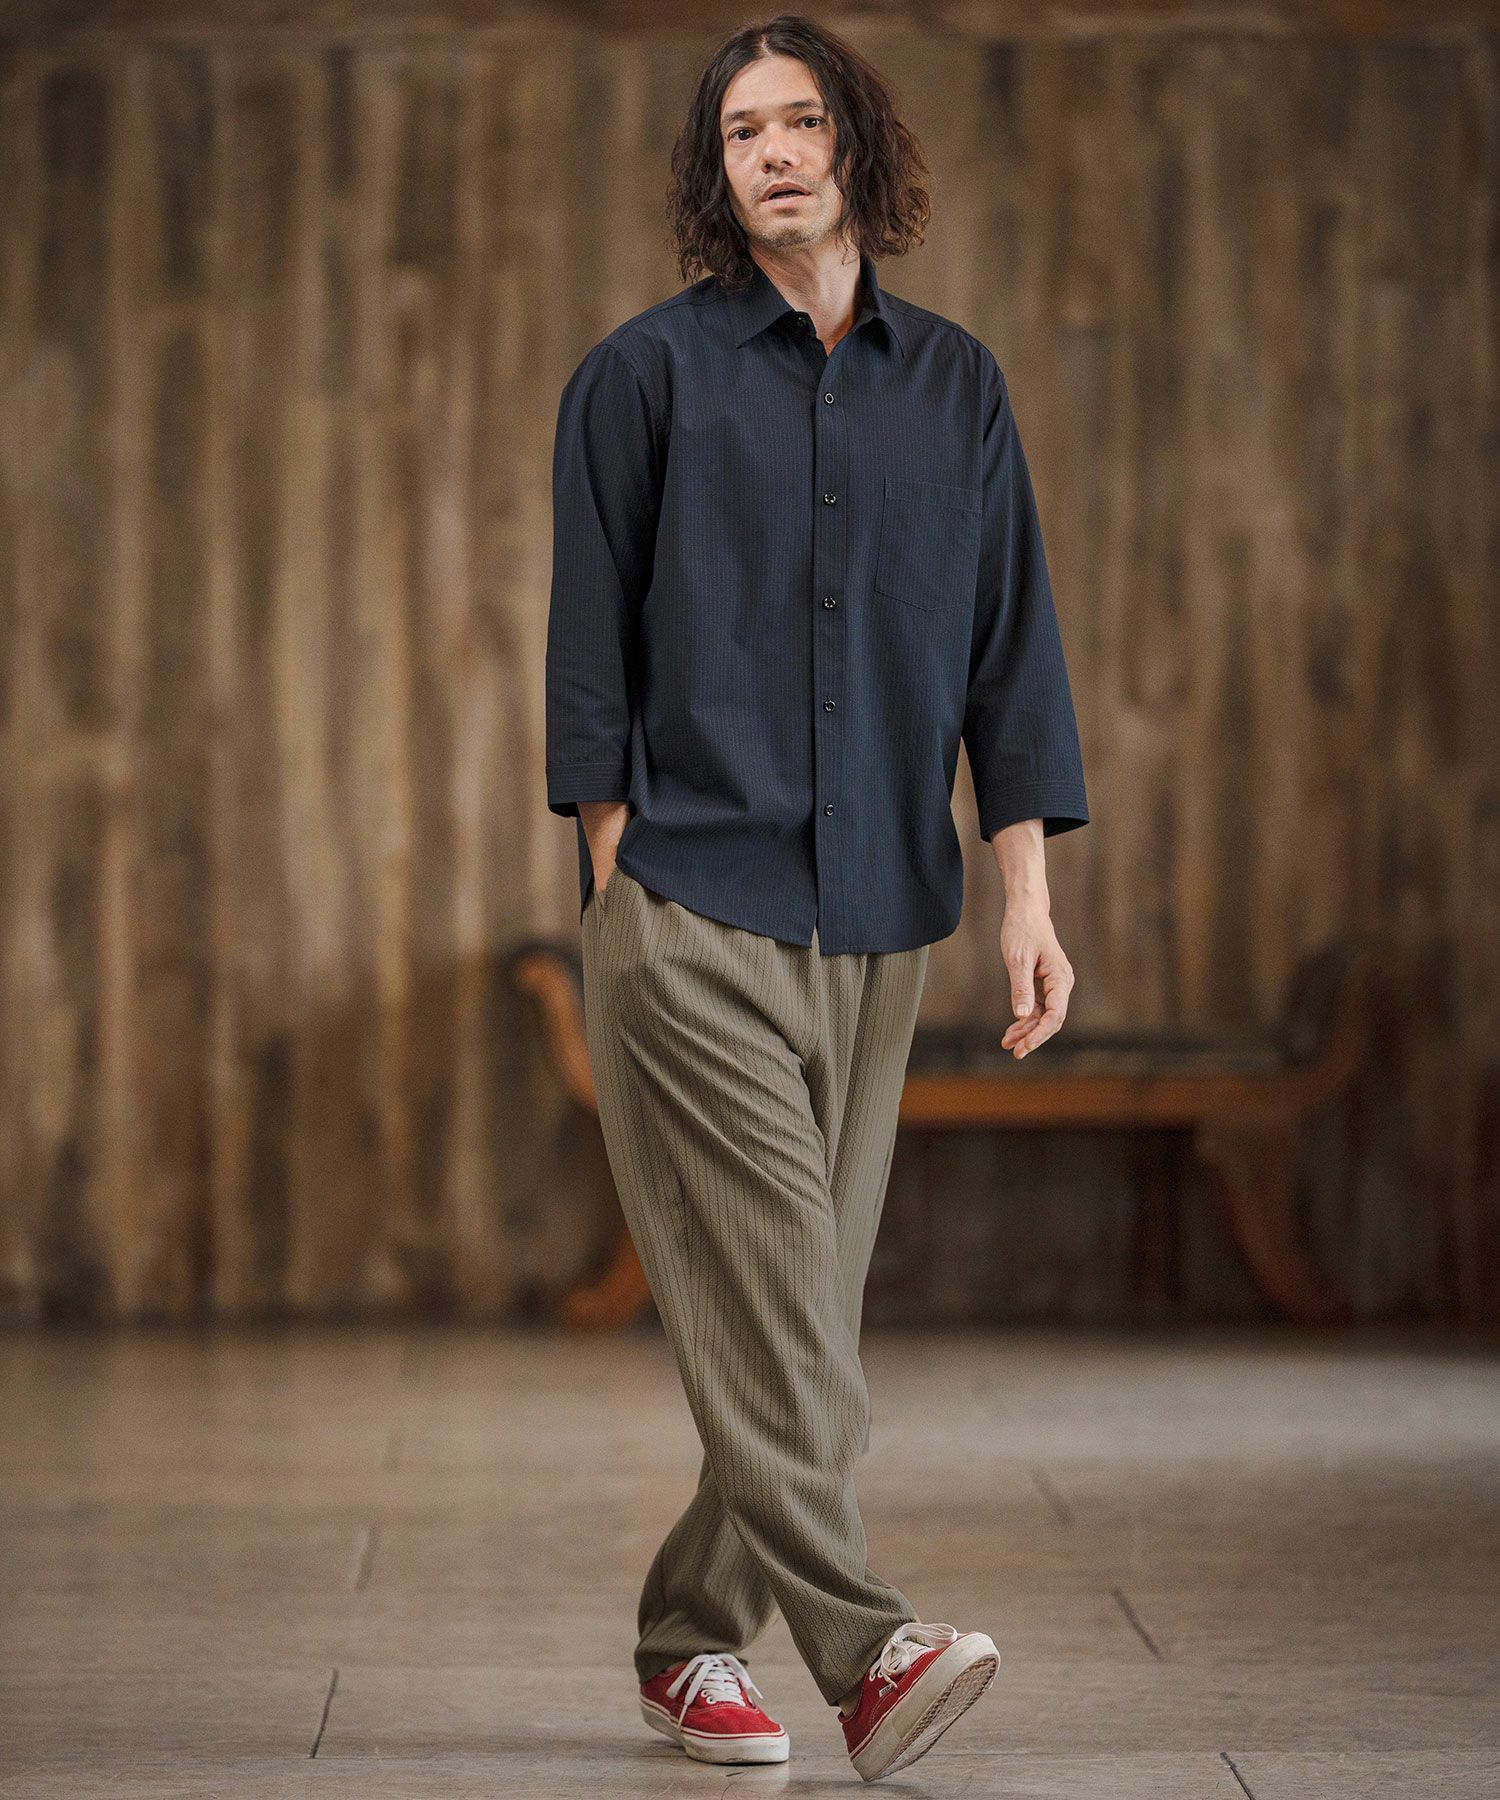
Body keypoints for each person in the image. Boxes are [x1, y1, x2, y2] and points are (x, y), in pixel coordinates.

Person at [545, 12, 1089, 1783]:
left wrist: (1025, 897)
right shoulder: (641, 377)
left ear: (857, 141)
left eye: (799, 121)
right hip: (689, 907)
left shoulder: (960, 388)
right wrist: (616, 877)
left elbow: (1011, 651)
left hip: (881, 918)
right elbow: (587, 648)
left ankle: (686, 1640)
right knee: (794, 1324)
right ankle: (868, 1657)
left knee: (796, 1324)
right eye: (740, 132)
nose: (773, 152)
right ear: (715, 173)